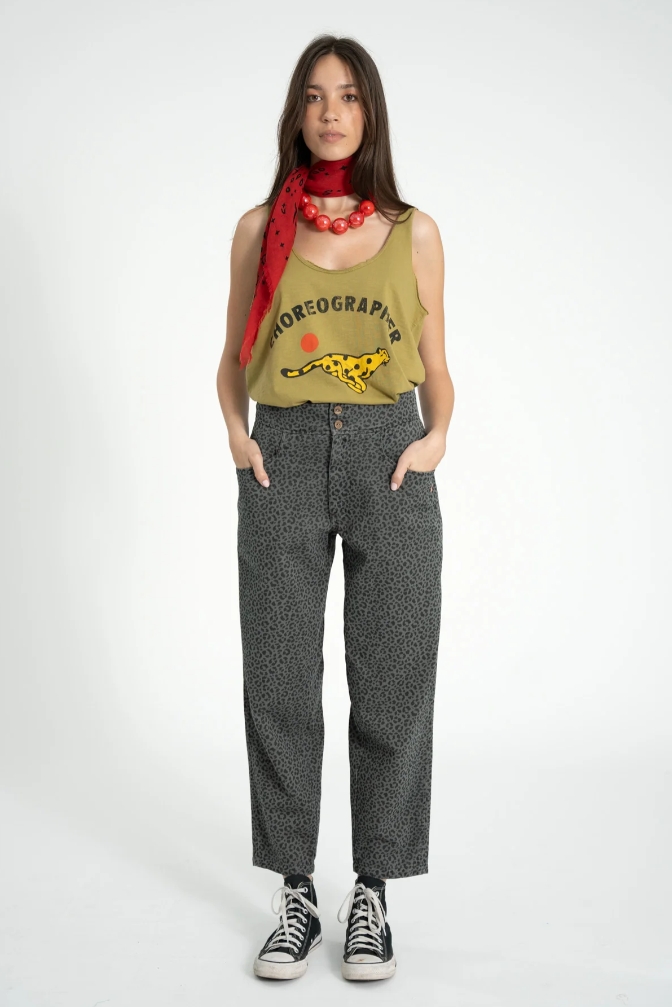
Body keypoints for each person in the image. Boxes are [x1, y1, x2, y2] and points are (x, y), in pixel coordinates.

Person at [216, 33, 455, 982]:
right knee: (280, 678)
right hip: (280, 451)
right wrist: (238, 436)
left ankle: (373, 893)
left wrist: (436, 437)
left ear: (370, 112)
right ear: (296, 112)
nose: (330, 112)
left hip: (391, 453)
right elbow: (231, 359)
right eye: (315, 95)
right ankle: (295, 893)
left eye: (348, 95)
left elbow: (438, 367)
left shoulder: (414, 231)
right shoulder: (257, 228)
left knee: (392, 677)